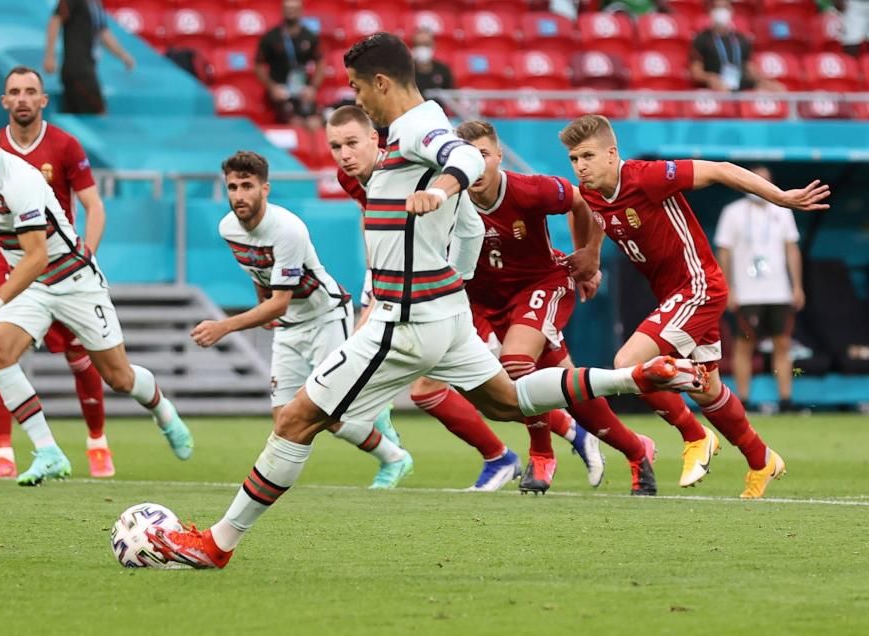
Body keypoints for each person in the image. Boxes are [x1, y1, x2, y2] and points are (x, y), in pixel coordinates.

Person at [145, 34, 707, 570]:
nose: (356, 99)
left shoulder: (419, 131)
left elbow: (460, 161)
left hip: (402, 321)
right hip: (444, 314)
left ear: (382, 83)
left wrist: (439, 189)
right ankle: (633, 378)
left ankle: (217, 544)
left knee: (294, 420)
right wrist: (455, 269)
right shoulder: (416, 127)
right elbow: (465, 227)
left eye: (358, 88)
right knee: (508, 402)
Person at [559, 114, 829, 499]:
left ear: (611, 154)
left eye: (587, 155)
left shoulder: (646, 177)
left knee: (627, 365)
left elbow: (719, 170)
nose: (580, 166)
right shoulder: (592, 192)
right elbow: (591, 213)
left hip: (698, 286)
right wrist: (591, 258)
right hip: (674, 295)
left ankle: (694, 434)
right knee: (709, 392)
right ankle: (760, 458)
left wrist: (781, 198)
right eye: (574, 159)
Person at [0, 103, 192, 486]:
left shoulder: (21, 182)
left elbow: (36, 256)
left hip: (73, 278)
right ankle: (48, 451)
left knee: (119, 377)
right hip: (30, 284)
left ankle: (163, 411)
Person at [456, 120, 658, 496]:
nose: (476, 165)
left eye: (483, 155)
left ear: (499, 156)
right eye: (465, 157)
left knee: (516, 365)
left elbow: (584, 199)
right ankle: (636, 449)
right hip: (486, 301)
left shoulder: (530, 190)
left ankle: (541, 453)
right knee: (566, 394)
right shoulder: (450, 200)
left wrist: (590, 255)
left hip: (541, 284)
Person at [326, 105, 522, 492]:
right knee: (483, 393)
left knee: (503, 389)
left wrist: (456, 279)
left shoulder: (415, 162)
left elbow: (469, 224)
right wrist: (377, 278)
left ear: (373, 139)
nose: (344, 154)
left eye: (351, 143)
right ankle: (507, 453)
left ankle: (530, 446)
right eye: (335, 146)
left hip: (445, 284)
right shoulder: (350, 178)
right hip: (398, 279)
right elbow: (374, 219)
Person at [191, 150, 413, 489]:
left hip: (325, 316)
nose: (239, 195)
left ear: (265, 188)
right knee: (284, 419)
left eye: (247, 186)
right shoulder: (228, 228)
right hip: (289, 326)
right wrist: (258, 301)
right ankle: (275, 487)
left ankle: (394, 457)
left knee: (329, 414)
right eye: (232, 187)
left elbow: (279, 303)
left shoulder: (287, 230)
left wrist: (223, 326)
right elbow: (258, 269)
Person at [0, 66, 116, 479]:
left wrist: (87, 252)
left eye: (30, 91)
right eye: (14, 92)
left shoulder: (64, 145)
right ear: (3, 103)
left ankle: (97, 443)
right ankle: (4, 452)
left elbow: (94, 204)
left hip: (60, 265)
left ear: (43, 100)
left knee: (82, 356)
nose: (22, 98)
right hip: (7, 265)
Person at [714, 165, 804, 412]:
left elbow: (791, 249)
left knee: (783, 344)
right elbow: (724, 252)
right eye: (757, 180)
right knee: (744, 345)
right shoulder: (733, 212)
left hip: (779, 292)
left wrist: (797, 286)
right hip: (746, 293)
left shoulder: (783, 211)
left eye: (766, 181)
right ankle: (742, 400)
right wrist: (728, 288)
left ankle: (786, 400)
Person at [43, 0, 135, 114]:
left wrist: (123, 55)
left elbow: (103, 32)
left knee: (77, 117)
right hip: (78, 69)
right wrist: (50, 56)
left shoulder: (96, 4)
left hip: (88, 67)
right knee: (98, 113)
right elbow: (56, 20)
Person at [255, 0, 324, 129]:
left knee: (314, 123)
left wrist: (313, 87)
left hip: (303, 90)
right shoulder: (271, 37)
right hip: (282, 92)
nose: (291, 11)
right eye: (288, 8)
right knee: (296, 123)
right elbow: (258, 65)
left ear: (301, 10)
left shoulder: (309, 36)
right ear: (282, 10)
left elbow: (320, 62)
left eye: (294, 8)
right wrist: (272, 87)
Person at [690, 0, 783, 92]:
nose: (721, 11)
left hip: (740, 80)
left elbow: (749, 66)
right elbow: (696, 72)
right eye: (717, 7)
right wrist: (710, 78)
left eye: (724, 7)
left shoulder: (741, 39)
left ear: (731, 11)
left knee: (776, 88)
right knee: (723, 90)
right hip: (717, 83)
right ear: (710, 11)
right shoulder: (702, 39)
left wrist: (762, 80)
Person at [410, 28, 454, 97]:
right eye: (418, 44)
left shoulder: (443, 70)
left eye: (426, 44)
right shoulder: (407, 72)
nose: (422, 48)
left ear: (433, 45)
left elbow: (452, 95)